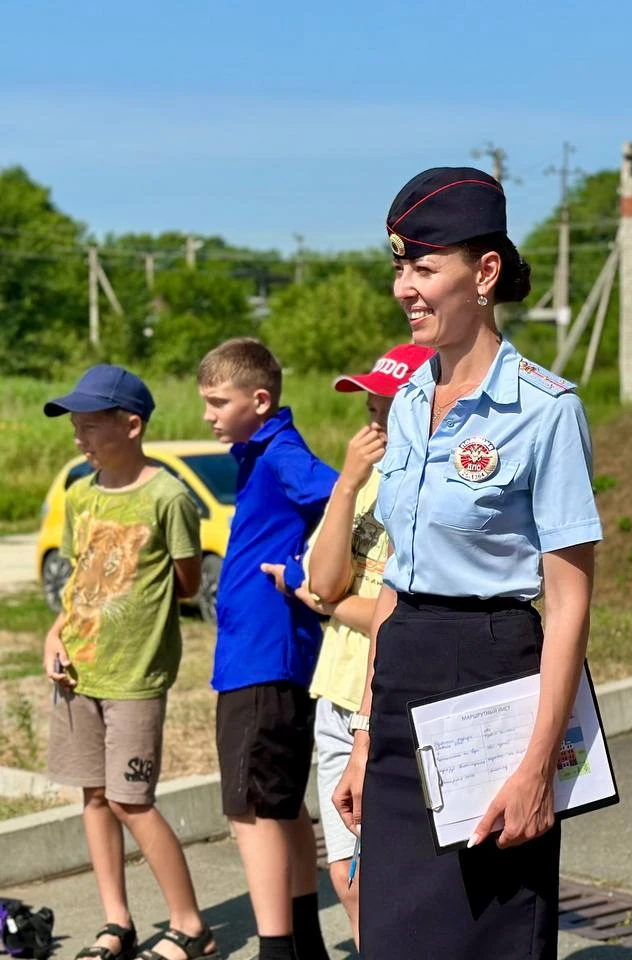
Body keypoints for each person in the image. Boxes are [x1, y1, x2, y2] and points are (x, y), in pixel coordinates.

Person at [332, 167, 603, 960]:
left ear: (483, 273)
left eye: (424, 267)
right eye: (399, 269)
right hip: (402, 678)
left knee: (485, 938)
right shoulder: (408, 401)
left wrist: (537, 767)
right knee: (390, 939)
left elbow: (570, 603)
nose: (403, 288)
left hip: (489, 683)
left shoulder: (546, 410)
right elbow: (394, 585)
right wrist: (361, 736)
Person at [42, 364, 217, 960]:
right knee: (94, 797)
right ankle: (116, 923)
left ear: (133, 425)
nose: (79, 438)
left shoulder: (167, 497)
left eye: (90, 426)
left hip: (135, 677)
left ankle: (191, 925)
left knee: (130, 801)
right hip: (78, 673)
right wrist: (53, 637)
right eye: (75, 427)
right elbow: (79, 588)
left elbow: (188, 584)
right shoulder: (79, 495)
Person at [261, 342, 433, 947]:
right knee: (345, 871)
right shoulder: (366, 482)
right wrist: (347, 483)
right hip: (335, 689)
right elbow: (324, 579)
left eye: (388, 402)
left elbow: (396, 615)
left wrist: (334, 605)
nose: (374, 416)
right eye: (371, 401)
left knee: (384, 869)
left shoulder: (433, 486)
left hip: (386, 697)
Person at [196, 338, 338, 960]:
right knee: (281, 808)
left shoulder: (281, 453)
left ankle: (275, 949)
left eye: (217, 402)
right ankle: (302, 942)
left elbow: (346, 499)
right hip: (264, 655)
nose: (208, 415)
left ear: (260, 399)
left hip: (264, 657)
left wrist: (305, 568)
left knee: (251, 810)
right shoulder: (260, 452)